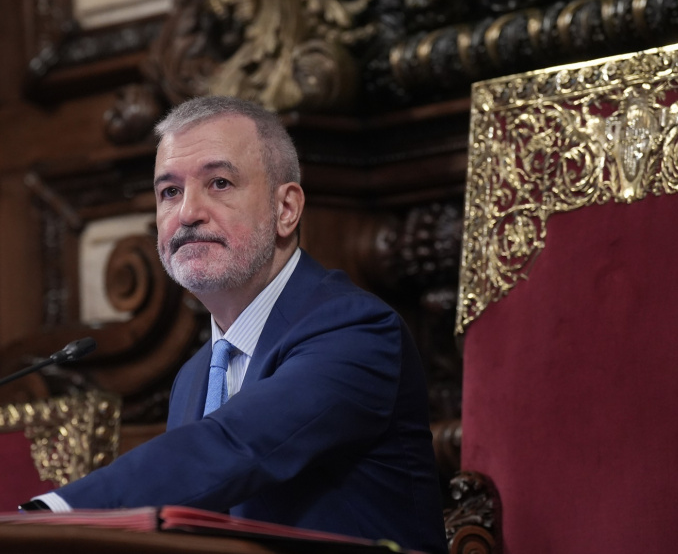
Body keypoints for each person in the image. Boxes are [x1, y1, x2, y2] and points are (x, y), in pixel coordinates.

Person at [27, 96, 447, 553]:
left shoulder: (356, 331)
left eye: (220, 183)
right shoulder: (194, 376)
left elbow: (233, 446)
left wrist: (54, 514)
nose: (188, 212)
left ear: (286, 209)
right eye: (170, 192)